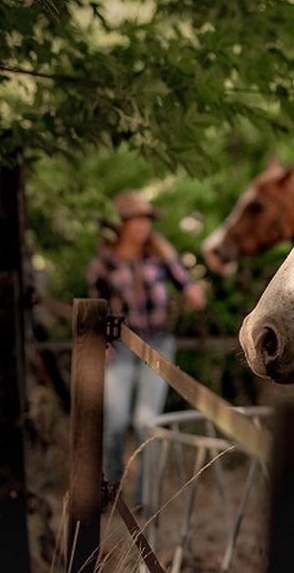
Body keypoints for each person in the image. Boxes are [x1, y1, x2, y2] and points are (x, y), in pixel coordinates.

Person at [86, 189, 206, 498]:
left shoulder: (161, 255)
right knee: (115, 421)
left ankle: (146, 498)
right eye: (134, 221)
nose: (142, 227)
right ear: (119, 226)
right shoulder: (105, 262)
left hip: (158, 343)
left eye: (146, 221)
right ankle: (108, 487)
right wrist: (102, 343)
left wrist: (192, 293)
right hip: (121, 345)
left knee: (146, 422)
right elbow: (95, 304)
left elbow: (185, 282)